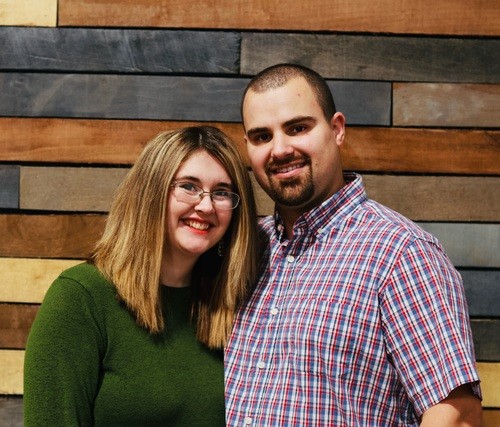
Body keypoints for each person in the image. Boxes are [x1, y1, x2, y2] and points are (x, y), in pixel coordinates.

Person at [225, 64, 482, 426]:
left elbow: (457, 414)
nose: (280, 149)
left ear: (337, 130)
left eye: (298, 128)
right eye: (262, 136)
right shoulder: (243, 247)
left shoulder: (401, 252)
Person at [24, 125, 258, 426]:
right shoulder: (81, 298)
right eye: (188, 186)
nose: (206, 205)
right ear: (151, 192)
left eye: (222, 192)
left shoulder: (234, 304)